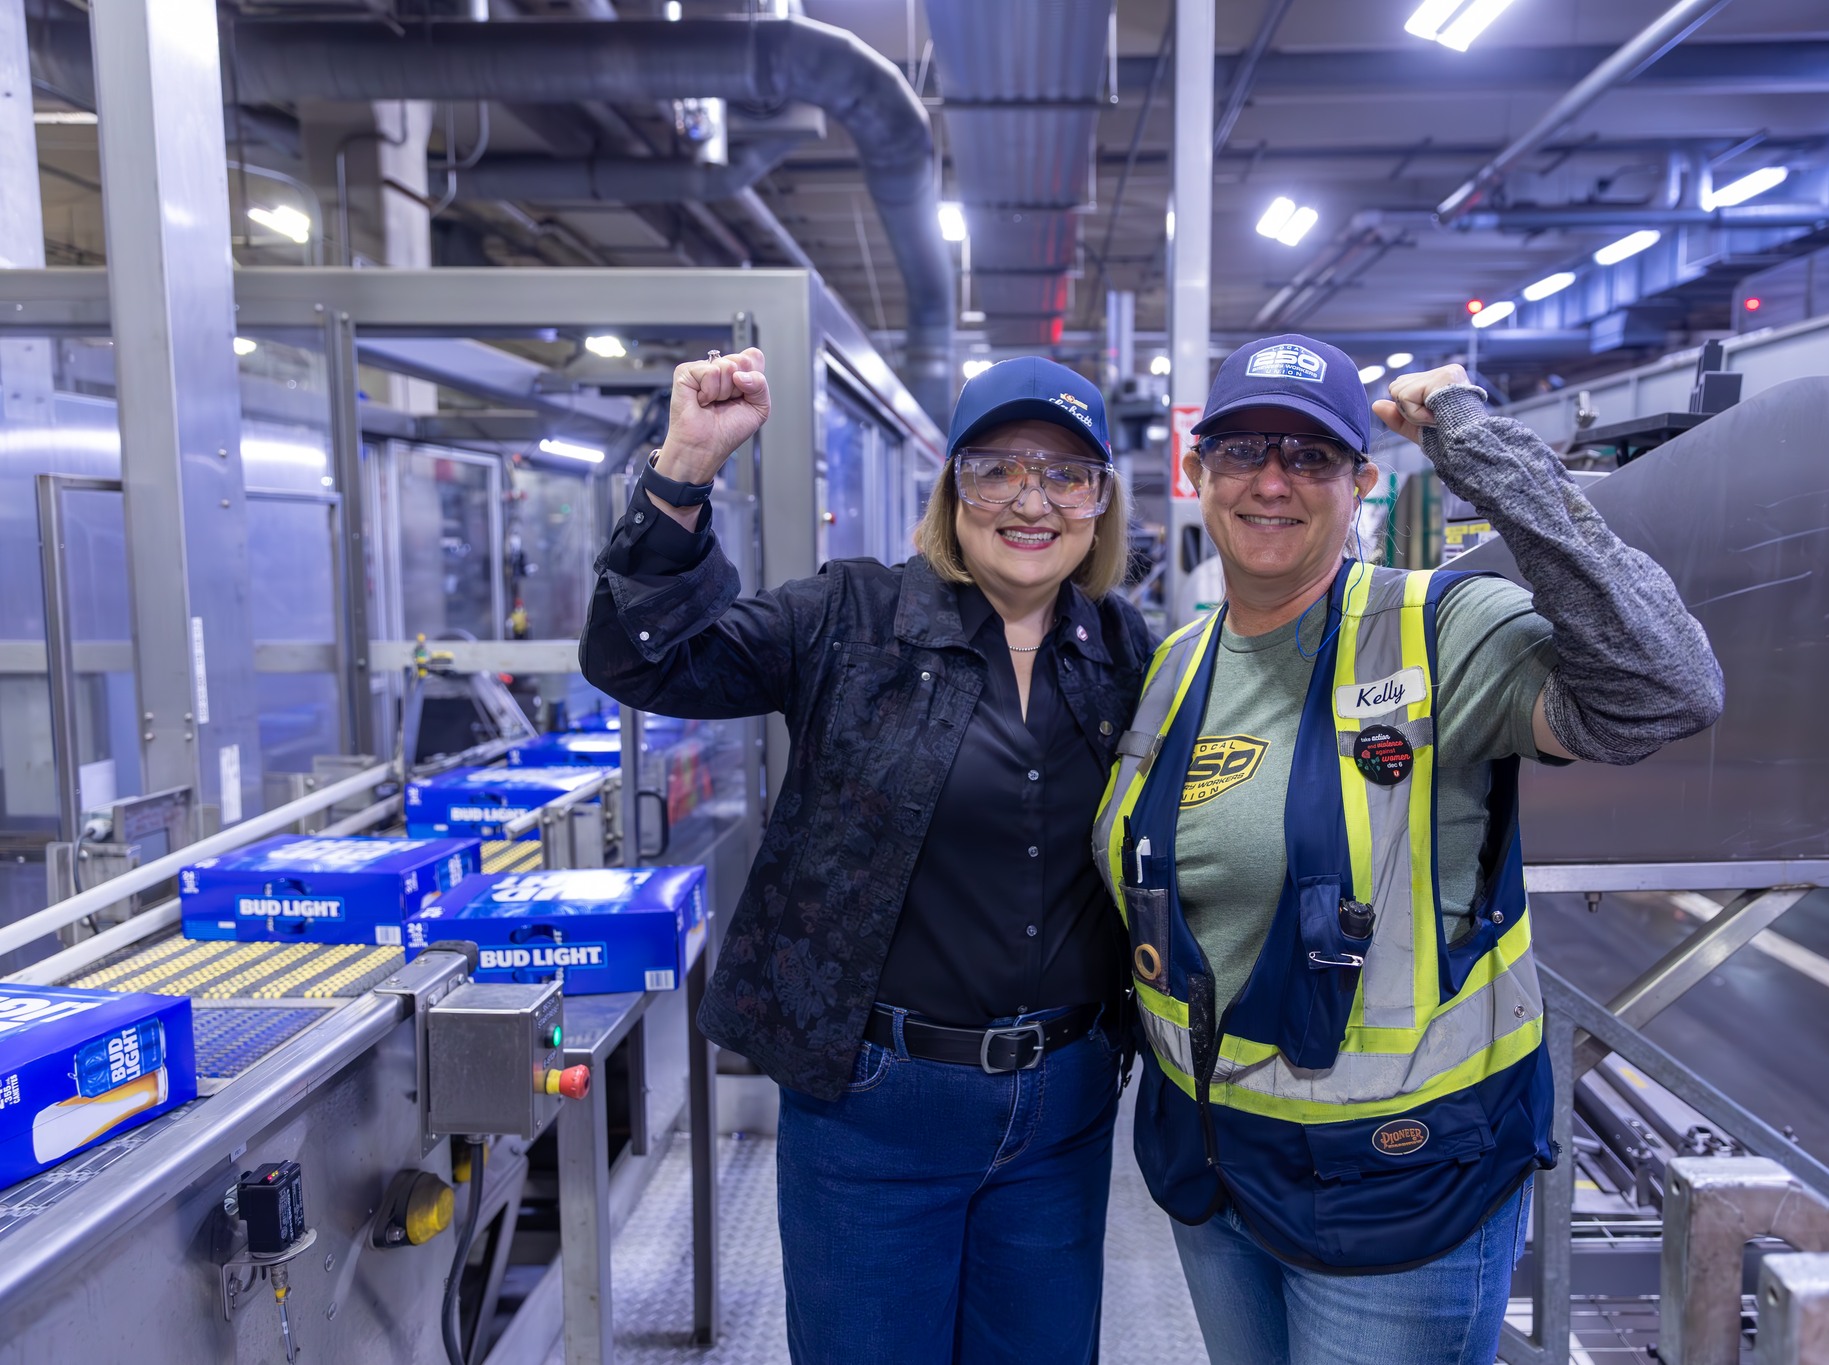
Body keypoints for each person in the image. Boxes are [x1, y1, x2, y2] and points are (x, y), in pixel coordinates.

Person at [1092, 333, 1724, 1365]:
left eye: (1309, 458)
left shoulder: (1437, 631)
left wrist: (1476, 440)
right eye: (1244, 449)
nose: (1270, 482)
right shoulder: (1174, 667)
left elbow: (1666, 686)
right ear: (1195, 471)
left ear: (1362, 486)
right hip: (1212, 1174)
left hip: (1397, 1201)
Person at [580, 349, 1155, 1364]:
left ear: (1099, 502)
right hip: (873, 1108)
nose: (1032, 499)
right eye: (996, 469)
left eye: (1066, 473)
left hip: (1061, 1105)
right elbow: (641, 658)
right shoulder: (847, 621)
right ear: (952, 489)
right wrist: (684, 468)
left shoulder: (1117, 646)